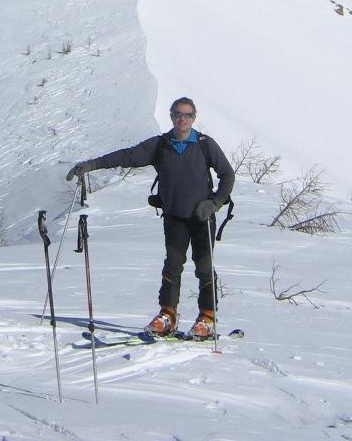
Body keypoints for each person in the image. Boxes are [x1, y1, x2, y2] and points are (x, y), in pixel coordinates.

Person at [66, 96, 235, 339]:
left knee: (204, 266)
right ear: (171, 116)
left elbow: (227, 174)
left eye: (187, 115)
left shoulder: (204, 144)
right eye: (178, 114)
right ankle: (168, 315)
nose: (182, 119)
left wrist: (215, 203)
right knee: (173, 265)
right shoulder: (160, 145)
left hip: (202, 218)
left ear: (194, 117)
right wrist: (92, 165)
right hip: (174, 217)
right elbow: (127, 156)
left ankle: (207, 317)